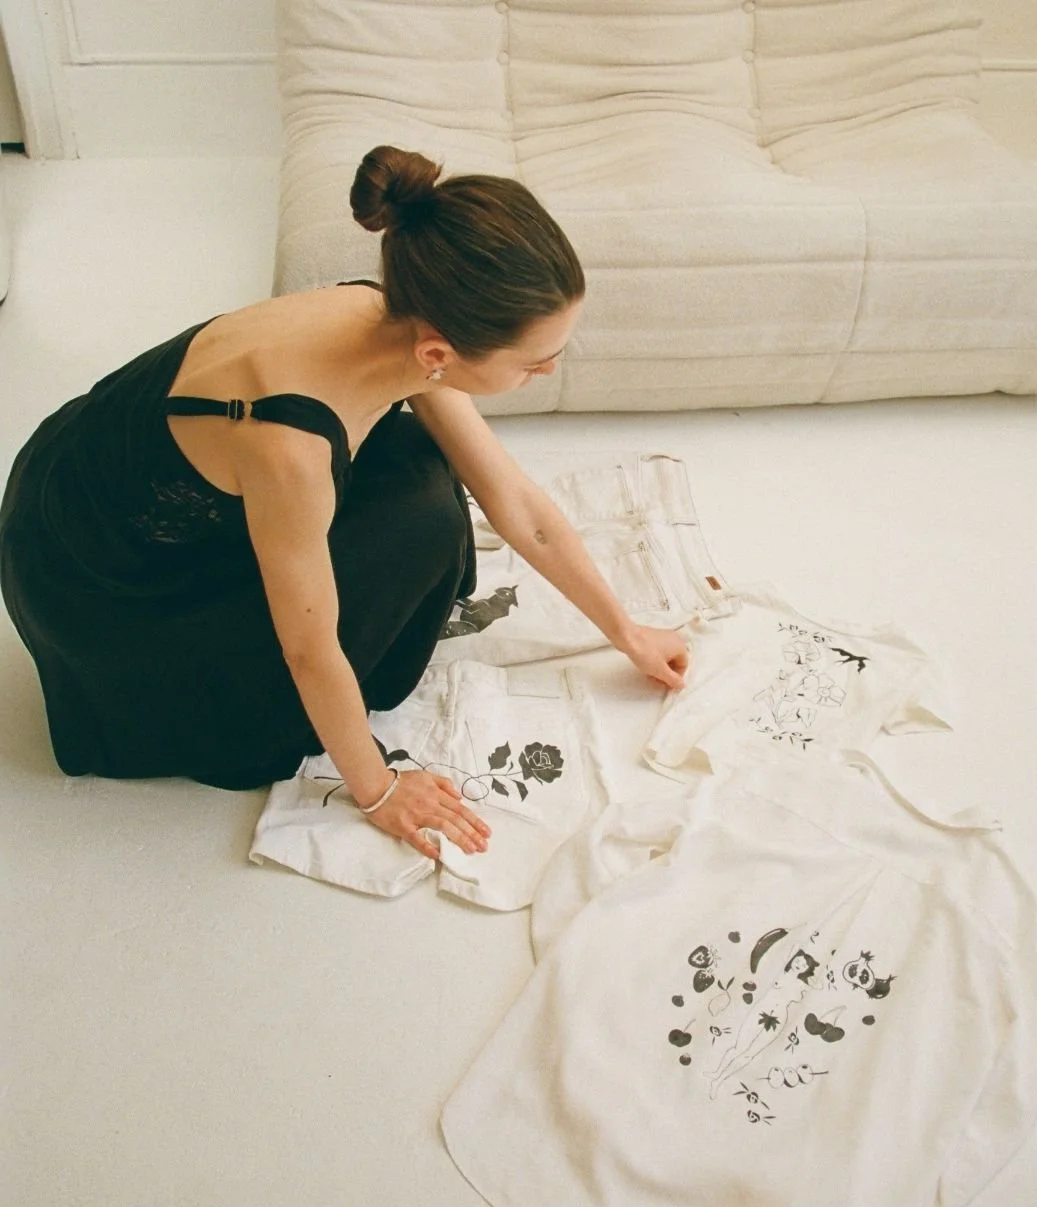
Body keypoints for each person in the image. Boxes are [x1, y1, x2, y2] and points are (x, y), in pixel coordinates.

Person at [0, 145, 689, 861]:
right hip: (101, 591)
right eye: (532, 361)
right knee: (421, 523)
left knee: (430, 476)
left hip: (99, 478)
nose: (549, 369)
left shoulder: (388, 313)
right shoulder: (286, 444)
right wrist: (380, 789)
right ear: (438, 354)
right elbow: (308, 647)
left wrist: (628, 632)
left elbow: (511, 497)